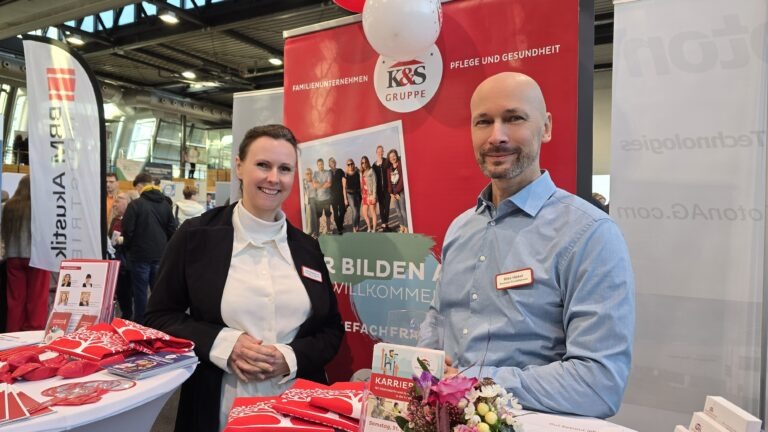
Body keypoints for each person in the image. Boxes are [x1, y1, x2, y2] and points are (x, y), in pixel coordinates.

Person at [419, 72, 635, 418]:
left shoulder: (590, 234)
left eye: (514, 118)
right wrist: (426, 369)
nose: (496, 136)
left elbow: (600, 384)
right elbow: (437, 319)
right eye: (483, 122)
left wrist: (475, 382)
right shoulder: (460, 229)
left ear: (546, 127)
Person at [145, 124, 344, 432]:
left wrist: (290, 357)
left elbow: (331, 329)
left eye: (285, 168)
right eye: (262, 165)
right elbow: (159, 317)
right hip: (219, 408)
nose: (273, 178)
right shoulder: (196, 237)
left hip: (298, 409)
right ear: (239, 166)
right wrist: (224, 344)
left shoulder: (308, 248)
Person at [121, 172, 177, 324]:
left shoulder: (135, 205)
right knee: (159, 293)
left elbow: (128, 230)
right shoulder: (165, 205)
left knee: (140, 293)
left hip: (139, 256)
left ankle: (141, 324)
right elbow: (173, 229)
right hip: (160, 255)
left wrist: (127, 246)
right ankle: (160, 322)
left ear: (140, 186)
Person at [1, 175, 51, 331]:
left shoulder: (7, 207)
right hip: (37, 258)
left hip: (13, 257)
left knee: (15, 300)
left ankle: (12, 335)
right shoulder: (41, 208)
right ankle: (33, 334)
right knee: (37, 299)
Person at [110, 191, 139, 319]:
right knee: (121, 293)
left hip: (128, 263)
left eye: (119, 200)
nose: (115, 203)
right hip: (116, 262)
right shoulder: (115, 219)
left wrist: (122, 240)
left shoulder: (134, 219)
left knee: (129, 293)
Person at [386, 149, 409, 233]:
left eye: (394, 156)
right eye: (391, 157)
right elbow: (389, 182)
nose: (393, 158)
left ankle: (406, 228)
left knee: (403, 211)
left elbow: (402, 180)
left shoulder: (401, 166)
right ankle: (401, 227)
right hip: (393, 193)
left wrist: (397, 192)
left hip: (401, 192)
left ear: (396, 156)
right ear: (389, 158)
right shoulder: (389, 169)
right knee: (398, 211)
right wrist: (391, 193)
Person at [372, 145, 391, 231]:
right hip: (379, 190)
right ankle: (384, 225)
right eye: (378, 151)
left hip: (387, 189)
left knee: (387, 207)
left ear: (383, 152)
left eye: (381, 151)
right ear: (376, 153)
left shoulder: (387, 162)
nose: (380, 153)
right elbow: (371, 178)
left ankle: (386, 223)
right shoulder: (374, 165)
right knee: (381, 207)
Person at [312, 159, 332, 234]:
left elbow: (329, 184)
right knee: (318, 217)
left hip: (327, 198)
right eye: (319, 164)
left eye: (322, 164)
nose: (321, 166)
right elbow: (314, 185)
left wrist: (319, 185)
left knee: (328, 215)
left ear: (324, 164)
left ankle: (329, 230)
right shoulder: (315, 173)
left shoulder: (328, 172)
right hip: (318, 200)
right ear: (317, 165)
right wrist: (324, 184)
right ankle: (317, 231)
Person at [328, 158, 346, 235]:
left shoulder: (340, 171)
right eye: (332, 162)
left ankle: (340, 224)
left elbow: (344, 181)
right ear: (329, 164)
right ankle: (339, 228)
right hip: (332, 196)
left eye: (334, 162)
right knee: (335, 212)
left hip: (340, 194)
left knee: (342, 211)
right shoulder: (328, 172)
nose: (333, 163)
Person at [343, 159, 362, 232]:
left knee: (358, 211)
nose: (350, 165)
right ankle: (354, 227)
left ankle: (357, 226)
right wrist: (345, 199)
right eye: (348, 164)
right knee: (355, 210)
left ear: (353, 164)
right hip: (350, 195)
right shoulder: (345, 175)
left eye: (351, 164)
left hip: (358, 194)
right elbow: (344, 188)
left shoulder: (357, 172)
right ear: (347, 166)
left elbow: (361, 182)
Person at [360, 156, 377, 232]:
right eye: (362, 162)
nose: (364, 164)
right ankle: (369, 227)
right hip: (364, 195)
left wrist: (374, 196)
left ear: (367, 162)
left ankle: (374, 229)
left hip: (370, 195)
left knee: (373, 212)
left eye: (365, 162)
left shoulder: (371, 171)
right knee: (365, 213)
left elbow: (375, 184)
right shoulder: (361, 172)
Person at [303, 168, 319, 238]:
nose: (309, 175)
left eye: (310, 173)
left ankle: (315, 232)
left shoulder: (314, 181)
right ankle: (309, 232)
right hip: (308, 201)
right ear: (305, 175)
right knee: (309, 218)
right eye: (307, 174)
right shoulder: (304, 183)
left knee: (314, 217)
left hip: (315, 200)